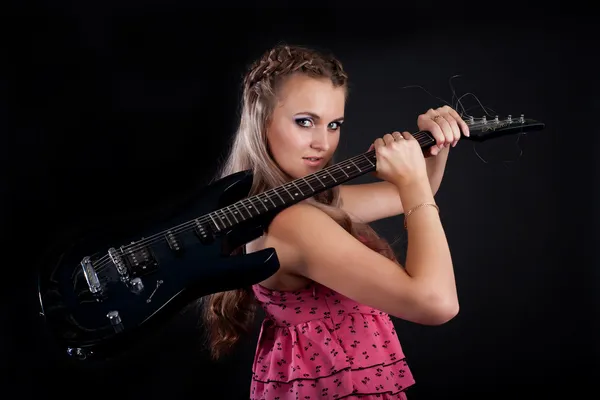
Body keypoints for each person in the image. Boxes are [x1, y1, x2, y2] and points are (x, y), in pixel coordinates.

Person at [202, 43, 470, 399]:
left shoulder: (294, 203)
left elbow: (407, 197)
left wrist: (436, 145)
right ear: (260, 120)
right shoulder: (293, 223)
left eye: (333, 125)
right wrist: (413, 181)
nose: (322, 143)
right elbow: (437, 303)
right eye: (304, 122)